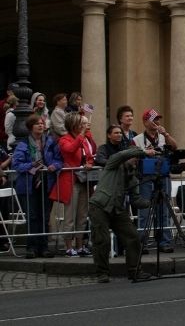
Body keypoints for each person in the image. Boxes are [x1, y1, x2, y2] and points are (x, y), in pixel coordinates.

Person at [88, 144, 155, 283]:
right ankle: (102, 273)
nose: (136, 160)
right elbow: (120, 155)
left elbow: (136, 200)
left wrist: (151, 202)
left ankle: (134, 270)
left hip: (117, 209)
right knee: (102, 240)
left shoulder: (133, 177)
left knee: (133, 236)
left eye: (137, 159)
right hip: (100, 206)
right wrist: (143, 151)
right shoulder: (113, 164)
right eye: (134, 157)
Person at [12, 115, 60, 258]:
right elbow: (16, 165)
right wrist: (31, 165)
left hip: (46, 182)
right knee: (32, 216)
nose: (41, 126)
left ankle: (44, 247)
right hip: (29, 184)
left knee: (44, 216)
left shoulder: (50, 142)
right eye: (37, 124)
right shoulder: (23, 143)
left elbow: (59, 159)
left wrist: (55, 166)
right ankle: (31, 247)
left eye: (42, 123)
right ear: (30, 127)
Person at [132, 108, 178, 253]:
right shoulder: (137, 139)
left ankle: (164, 241)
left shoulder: (163, 136)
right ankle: (142, 243)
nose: (157, 122)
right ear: (145, 122)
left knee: (163, 209)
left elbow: (175, 147)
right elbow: (132, 157)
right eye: (154, 119)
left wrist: (166, 134)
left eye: (158, 119)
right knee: (144, 210)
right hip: (145, 177)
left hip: (163, 176)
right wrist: (145, 152)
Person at [51, 112, 94, 257]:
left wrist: (89, 163)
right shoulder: (64, 139)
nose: (83, 125)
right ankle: (69, 247)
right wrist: (81, 136)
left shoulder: (84, 139)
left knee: (82, 215)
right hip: (71, 181)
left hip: (83, 181)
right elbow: (69, 150)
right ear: (73, 125)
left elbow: (89, 155)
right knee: (70, 216)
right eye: (80, 123)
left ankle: (80, 245)